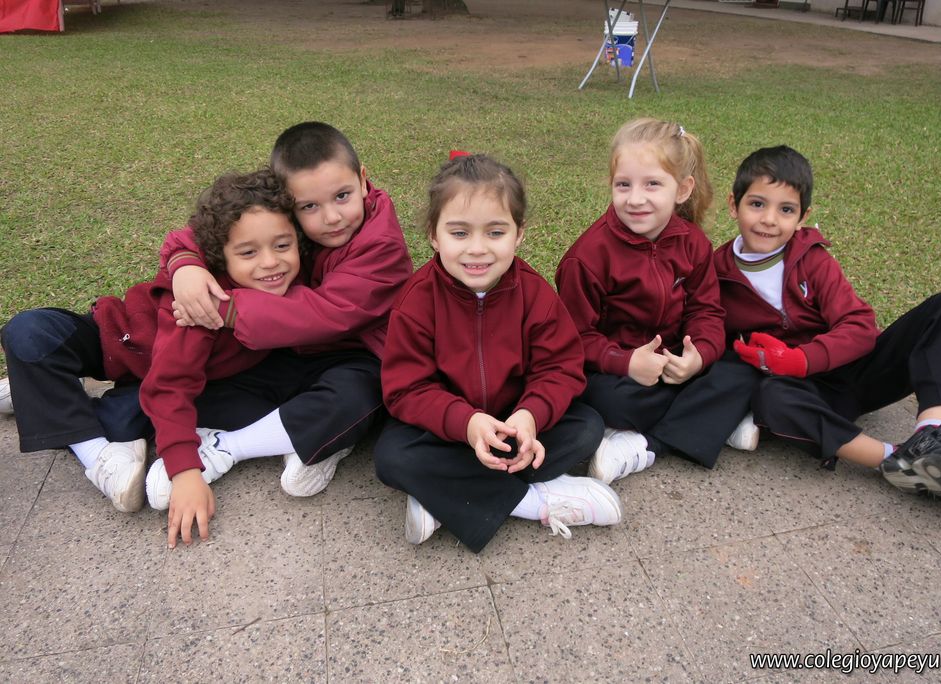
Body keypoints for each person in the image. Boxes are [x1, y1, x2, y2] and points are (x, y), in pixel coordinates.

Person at [0, 169, 302, 546]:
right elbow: (171, 385)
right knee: (29, 333)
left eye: (282, 245)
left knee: (129, 421)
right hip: (119, 342)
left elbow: (168, 388)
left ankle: (41, 392)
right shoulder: (201, 303)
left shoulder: (296, 287)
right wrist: (186, 473)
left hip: (154, 381)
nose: (270, 262)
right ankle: (96, 455)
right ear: (219, 256)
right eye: (248, 252)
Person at [149, 122, 413, 503]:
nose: (331, 217)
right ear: (288, 204)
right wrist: (184, 262)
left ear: (363, 180)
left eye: (342, 196)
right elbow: (220, 226)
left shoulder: (381, 245)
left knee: (360, 395)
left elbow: (325, 313)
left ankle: (231, 447)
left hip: (356, 356)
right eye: (309, 207)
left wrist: (223, 306)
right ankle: (308, 438)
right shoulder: (296, 223)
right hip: (288, 349)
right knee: (206, 387)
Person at [714, 145, 941, 510]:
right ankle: (895, 460)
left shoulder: (812, 260)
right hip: (807, 392)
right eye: (757, 204)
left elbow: (859, 327)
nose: (769, 219)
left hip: (858, 369)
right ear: (734, 205)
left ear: (803, 216)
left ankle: (934, 434)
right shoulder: (717, 272)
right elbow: (713, 335)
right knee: (770, 398)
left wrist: (801, 359)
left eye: (786, 209)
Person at [374, 153, 621, 553]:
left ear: (519, 234)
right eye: (459, 233)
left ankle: (444, 497)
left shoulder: (535, 294)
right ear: (434, 235)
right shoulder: (416, 301)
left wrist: (530, 416)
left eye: (495, 232)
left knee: (586, 427)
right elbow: (406, 389)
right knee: (392, 457)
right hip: (448, 430)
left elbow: (560, 369)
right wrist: (467, 422)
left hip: (514, 426)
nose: (477, 249)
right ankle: (535, 502)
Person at [556, 118, 761, 483]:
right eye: (624, 184)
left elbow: (707, 311)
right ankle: (713, 420)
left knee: (741, 367)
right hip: (618, 375)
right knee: (610, 401)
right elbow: (573, 340)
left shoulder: (693, 243)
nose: (636, 198)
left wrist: (698, 356)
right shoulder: (586, 258)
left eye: (652, 184)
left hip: (675, 364)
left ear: (682, 189)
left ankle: (651, 439)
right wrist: (626, 362)